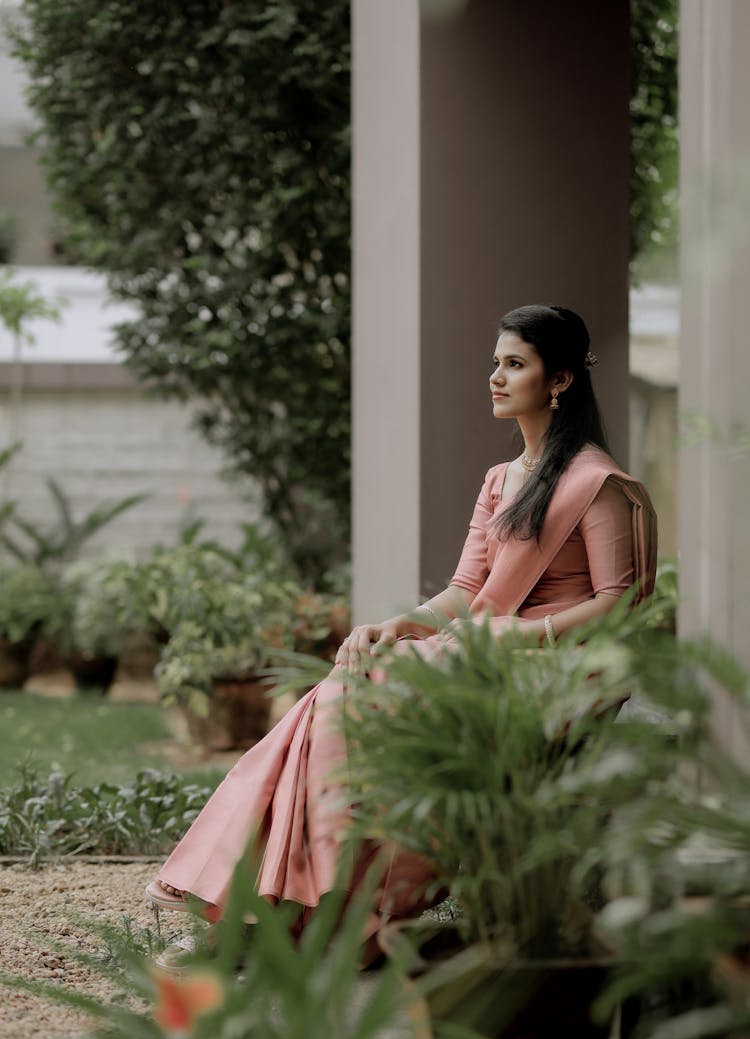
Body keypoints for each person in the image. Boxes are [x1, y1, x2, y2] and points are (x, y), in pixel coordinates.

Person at [145, 303, 657, 959]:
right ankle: (291, 904)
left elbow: (618, 603)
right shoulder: (501, 480)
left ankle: (343, 916)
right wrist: (396, 625)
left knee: (378, 715)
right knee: (336, 695)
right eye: (496, 362)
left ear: (559, 380)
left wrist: (520, 638)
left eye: (514, 364)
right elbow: (466, 589)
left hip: (551, 667)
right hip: (480, 650)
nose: (496, 377)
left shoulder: (598, 484)